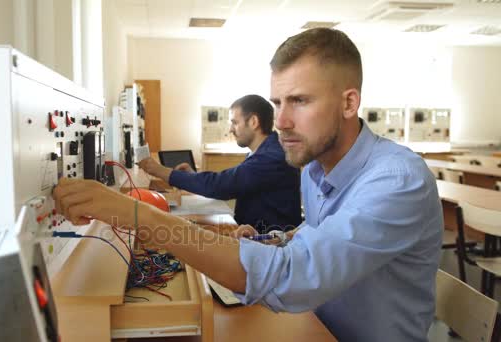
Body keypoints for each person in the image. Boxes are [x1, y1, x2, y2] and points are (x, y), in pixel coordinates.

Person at [54, 28, 442, 342]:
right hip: (316, 326)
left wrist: (135, 214)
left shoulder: (397, 181)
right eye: (278, 103)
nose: (282, 121)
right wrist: (271, 240)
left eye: (300, 101)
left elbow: (293, 277)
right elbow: (316, 235)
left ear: (349, 103)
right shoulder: (314, 168)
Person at [138, 94, 301, 232]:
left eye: (235, 122)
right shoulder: (263, 151)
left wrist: (158, 170)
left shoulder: (272, 157)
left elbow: (221, 185)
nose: (231, 129)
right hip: (252, 235)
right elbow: (233, 182)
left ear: (253, 122)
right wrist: (193, 177)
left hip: (271, 246)